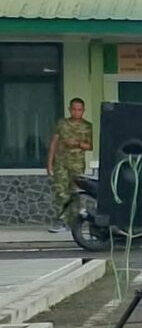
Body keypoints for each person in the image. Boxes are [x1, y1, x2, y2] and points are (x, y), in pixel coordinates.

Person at [45, 96, 95, 235]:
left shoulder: (87, 126)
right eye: (74, 109)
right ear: (69, 109)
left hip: (77, 165)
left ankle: (75, 223)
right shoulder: (62, 124)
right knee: (61, 192)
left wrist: (77, 144)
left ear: (83, 110)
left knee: (76, 193)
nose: (76, 112)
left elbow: (90, 146)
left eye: (79, 110)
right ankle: (62, 221)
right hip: (61, 163)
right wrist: (49, 163)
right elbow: (54, 143)